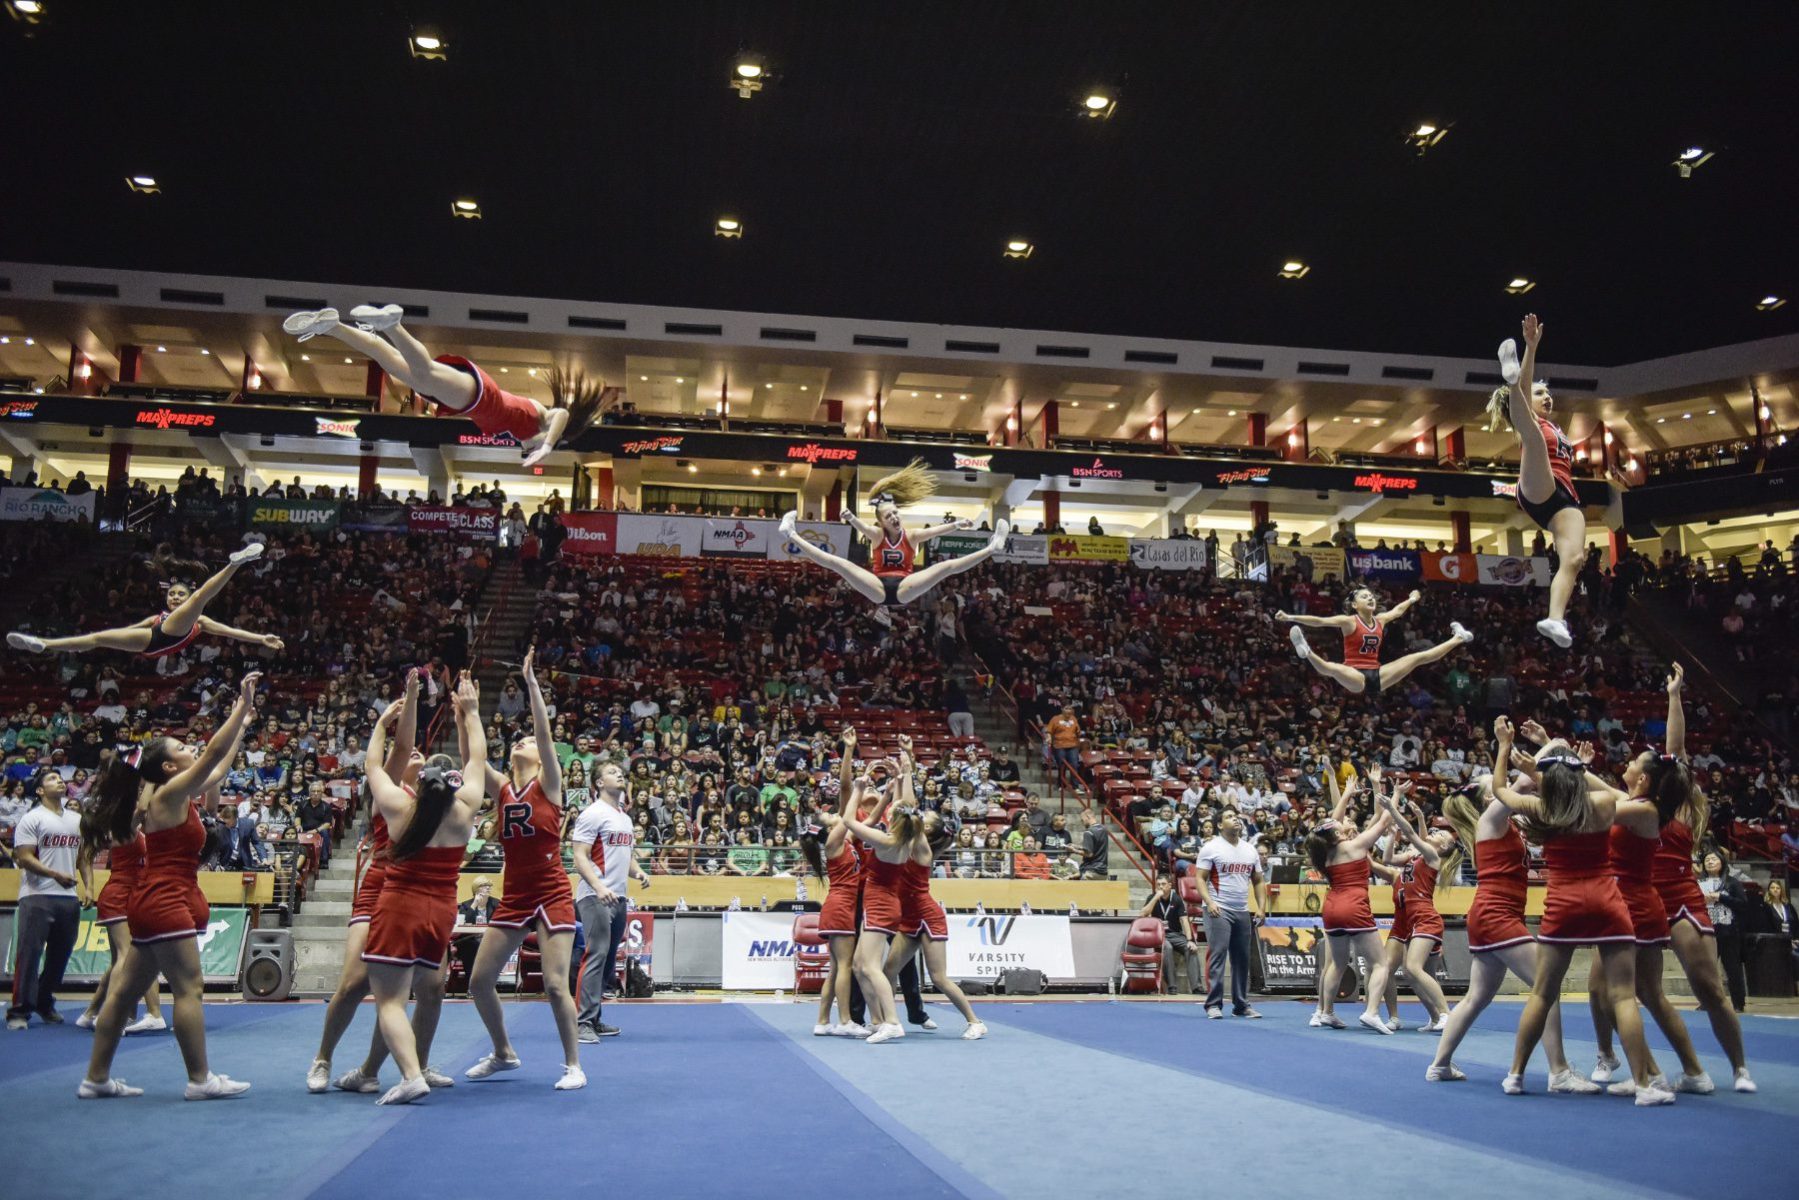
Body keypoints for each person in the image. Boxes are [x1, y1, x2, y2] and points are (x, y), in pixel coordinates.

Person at [79, 670, 261, 1099]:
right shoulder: (168, 794)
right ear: (168, 766)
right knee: (188, 989)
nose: (191, 749)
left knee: (123, 994)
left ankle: (96, 1079)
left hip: (155, 899)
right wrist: (239, 704)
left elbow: (218, 764)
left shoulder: (174, 794)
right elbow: (212, 751)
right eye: (182, 748)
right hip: (165, 898)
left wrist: (244, 727)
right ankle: (200, 1080)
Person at [1588, 665, 1755, 1092]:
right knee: (1616, 988)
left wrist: (1675, 697)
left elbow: (1675, 752)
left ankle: (1738, 1068)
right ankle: (1624, 1062)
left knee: (1708, 987)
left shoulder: (1671, 805)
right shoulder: (1635, 803)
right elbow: (1601, 793)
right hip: (1634, 896)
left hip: (1677, 893)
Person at [1491, 724, 1671, 1105]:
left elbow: (1499, 791)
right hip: (1607, 901)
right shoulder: (1603, 806)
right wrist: (1579, 767)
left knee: (1541, 993)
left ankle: (1515, 1075)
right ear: (1576, 778)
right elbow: (1618, 794)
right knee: (1623, 997)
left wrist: (1507, 749)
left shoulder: (1541, 807)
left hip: (1563, 904)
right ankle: (1644, 1086)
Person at [308, 671, 453, 1096]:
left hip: (418, 893)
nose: (419, 758)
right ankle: (323, 1058)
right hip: (378, 889)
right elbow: (404, 745)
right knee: (354, 983)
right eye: (415, 757)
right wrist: (409, 697)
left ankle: (396, 1068)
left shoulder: (428, 804)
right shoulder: (388, 792)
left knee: (431, 987)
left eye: (425, 761)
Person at [359, 674, 487, 1105]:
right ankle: (421, 1065)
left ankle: (411, 1075)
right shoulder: (465, 808)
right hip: (442, 910)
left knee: (390, 1001)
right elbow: (478, 761)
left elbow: (374, 767)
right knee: (429, 990)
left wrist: (381, 726)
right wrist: (469, 713)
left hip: (400, 907)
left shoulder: (399, 805)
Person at [464, 650, 586, 1090]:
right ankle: (503, 1052)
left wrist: (532, 684)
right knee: (479, 982)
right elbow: (472, 759)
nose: (522, 741)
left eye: (527, 742)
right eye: (519, 741)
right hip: (514, 891)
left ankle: (573, 1064)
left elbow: (545, 735)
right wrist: (470, 714)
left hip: (551, 890)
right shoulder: (503, 787)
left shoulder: (548, 783)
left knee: (555, 984)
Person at [1427, 770, 1593, 1091]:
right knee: (1547, 987)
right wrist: (1529, 760)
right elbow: (1521, 784)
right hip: (1496, 914)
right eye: (1496, 785)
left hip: (1493, 914)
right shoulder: (1491, 818)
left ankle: (1439, 1064)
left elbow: (1533, 800)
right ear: (1491, 797)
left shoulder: (1507, 822)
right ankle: (1559, 1071)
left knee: (1476, 997)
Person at [283, 306, 601, 467]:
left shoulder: (523, 431)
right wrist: (547, 446)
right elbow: (561, 413)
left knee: (393, 363)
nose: (526, 454)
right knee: (424, 372)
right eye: (531, 453)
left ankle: (332, 325)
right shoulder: (543, 423)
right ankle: (393, 324)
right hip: (482, 398)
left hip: (470, 402)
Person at [841, 735, 986, 1043]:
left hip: (926, 913)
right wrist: (906, 765)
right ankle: (886, 1021)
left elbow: (908, 806)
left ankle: (974, 1021)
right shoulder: (905, 838)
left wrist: (906, 773)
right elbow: (908, 806)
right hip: (905, 914)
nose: (918, 814)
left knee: (939, 977)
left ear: (926, 829)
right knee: (888, 970)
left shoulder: (919, 847)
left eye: (925, 817)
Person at [777, 460, 1009, 608]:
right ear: (882, 522)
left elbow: (935, 531)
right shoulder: (878, 536)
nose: (895, 518)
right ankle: (791, 533)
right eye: (889, 517)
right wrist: (851, 519)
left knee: (944, 568)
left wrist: (957, 524)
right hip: (877, 587)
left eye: (896, 513)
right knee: (837, 563)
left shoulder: (913, 536)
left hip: (905, 587)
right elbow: (865, 529)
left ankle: (992, 547)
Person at [1490, 313, 1583, 648]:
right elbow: (1528, 402)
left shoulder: (1558, 428)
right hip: (1536, 485)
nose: (1549, 397)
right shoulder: (1536, 423)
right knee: (1531, 434)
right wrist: (1530, 348)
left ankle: (1556, 620)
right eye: (1542, 392)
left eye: (1549, 394)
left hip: (1564, 498)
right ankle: (1510, 377)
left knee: (1574, 558)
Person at [9, 543, 279, 658]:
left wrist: (261, 638)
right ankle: (43, 645)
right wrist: (107, 638)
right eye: (172, 594)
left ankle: (236, 563)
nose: (174, 597)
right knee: (96, 638)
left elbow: (232, 632)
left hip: (172, 635)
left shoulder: (200, 618)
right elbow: (130, 631)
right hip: (151, 642)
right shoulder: (157, 618)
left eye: (179, 594)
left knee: (200, 598)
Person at [76, 756, 167, 1036]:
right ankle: (117, 1016)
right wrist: (151, 778)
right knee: (132, 958)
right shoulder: (124, 827)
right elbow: (141, 807)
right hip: (120, 895)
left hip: (128, 894)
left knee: (122, 961)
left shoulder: (126, 827)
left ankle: (91, 1013)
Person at [1305, 764, 1396, 1033]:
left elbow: (1333, 819)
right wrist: (1385, 790)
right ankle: (1371, 1012)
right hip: (1354, 906)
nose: (1346, 824)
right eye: (1342, 825)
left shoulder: (1325, 852)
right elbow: (1384, 820)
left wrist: (1346, 793)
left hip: (1331, 907)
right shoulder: (1354, 846)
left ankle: (1326, 1012)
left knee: (1338, 963)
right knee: (1380, 963)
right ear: (1337, 833)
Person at [571, 759, 648, 1046]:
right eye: (612, 772)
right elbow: (580, 856)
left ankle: (594, 1017)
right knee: (596, 954)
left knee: (606, 961)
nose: (620, 775)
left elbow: (625, 857)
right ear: (599, 782)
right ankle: (582, 1023)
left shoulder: (624, 818)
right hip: (595, 896)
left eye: (620, 772)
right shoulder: (592, 813)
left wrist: (638, 871)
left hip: (619, 896)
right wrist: (598, 886)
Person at [1279, 588, 1472, 697]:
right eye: (1364, 596)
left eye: (1371, 595)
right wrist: (1290, 617)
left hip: (1378, 674)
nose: (1370, 597)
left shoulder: (1380, 620)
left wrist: (1412, 599)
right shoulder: (1349, 621)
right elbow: (1319, 621)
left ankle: (1459, 638)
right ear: (1355, 605)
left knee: (1417, 658)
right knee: (1333, 668)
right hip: (1354, 674)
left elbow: (1397, 611)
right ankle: (1307, 652)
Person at [8, 769, 86, 1030]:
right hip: (37, 895)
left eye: (59, 778)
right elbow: (24, 857)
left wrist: (89, 888)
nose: (59, 780)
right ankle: (19, 1011)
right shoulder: (32, 819)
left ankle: (44, 1001)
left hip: (68, 897)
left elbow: (83, 856)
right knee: (29, 954)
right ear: (40, 790)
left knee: (60, 956)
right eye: (52, 779)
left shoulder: (76, 819)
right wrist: (54, 874)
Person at [1373, 790, 1455, 1032]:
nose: (1434, 832)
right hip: (1412, 919)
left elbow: (1411, 834)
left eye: (1440, 833)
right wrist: (1390, 834)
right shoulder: (1417, 856)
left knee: (1414, 968)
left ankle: (1446, 1014)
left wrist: (1393, 810)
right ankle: (1434, 1017)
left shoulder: (1431, 856)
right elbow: (1388, 857)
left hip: (1424, 917)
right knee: (1413, 974)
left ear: (1444, 846)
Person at [807, 728, 870, 1036]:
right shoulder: (837, 839)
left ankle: (822, 1021)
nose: (834, 814)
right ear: (827, 827)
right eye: (829, 815)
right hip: (843, 905)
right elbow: (846, 803)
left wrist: (883, 795)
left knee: (836, 967)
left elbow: (858, 819)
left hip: (840, 903)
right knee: (844, 966)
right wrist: (850, 756)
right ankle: (845, 1021)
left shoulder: (843, 839)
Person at [1193, 810, 1265, 1019]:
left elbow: (1259, 880)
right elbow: (1200, 878)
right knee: (1218, 955)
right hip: (1219, 909)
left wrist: (1260, 907)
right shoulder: (1211, 848)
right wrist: (1209, 902)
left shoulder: (1250, 850)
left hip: (1242, 910)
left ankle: (1241, 1005)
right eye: (1228, 817)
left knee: (1241, 959)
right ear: (1219, 825)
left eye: (1236, 816)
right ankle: (1213, 1004)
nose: (1235, 819)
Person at [1140, 875, 1199, 994]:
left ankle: (1197, 987)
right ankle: (1172, 986)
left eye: (1163, 884)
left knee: (1190, 949)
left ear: (1170, 885)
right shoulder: (1152, 897)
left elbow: (1184, 920)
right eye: (1158, 884)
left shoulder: (1176, 899)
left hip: (1175, 934)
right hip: (1160, 936)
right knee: (1167, 947)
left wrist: (1190, 940)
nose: (1160, 887)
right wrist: (1156, 897)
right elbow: (1142, 915)